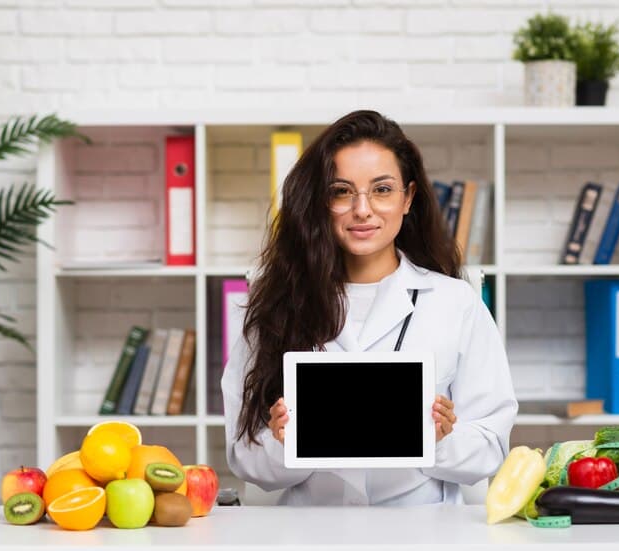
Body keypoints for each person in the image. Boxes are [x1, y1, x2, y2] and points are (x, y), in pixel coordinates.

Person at [221, 109, 517, 506]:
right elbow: (244, 456)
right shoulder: (275, 304)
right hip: (311, 530)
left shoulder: (456, 302)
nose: (362, 209)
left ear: (408, 198)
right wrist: (285, 443)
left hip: (423, 531)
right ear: (320, 202)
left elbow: (490, 445)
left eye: (382, 190)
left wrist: (440, 437)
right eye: (342, 191)